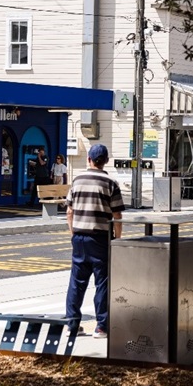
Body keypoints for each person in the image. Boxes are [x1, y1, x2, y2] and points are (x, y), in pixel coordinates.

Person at [64, 144, 125, 339]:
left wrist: (73, 233)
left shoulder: (77, 180)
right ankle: (101, 327)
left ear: (89, 159)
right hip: (101, 237)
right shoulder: (110, 183)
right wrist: (118, 238)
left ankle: (72, 325)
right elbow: (117, 214)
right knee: (103, 282)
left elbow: (69, 211)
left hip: (80, 237)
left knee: (76, 281)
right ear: (106, 161)